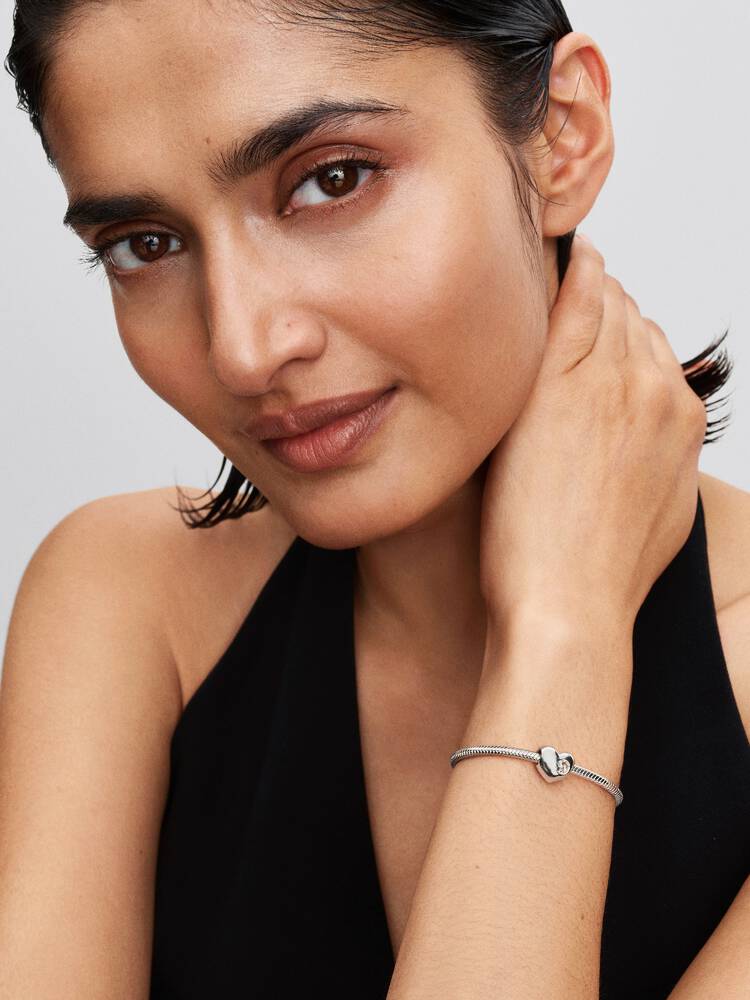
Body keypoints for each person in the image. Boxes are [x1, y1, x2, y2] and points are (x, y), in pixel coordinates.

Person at [2, 2, 748, 998]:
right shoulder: (130, 602)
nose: (242, 348)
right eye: (145, 242)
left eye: (333, 179)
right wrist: (559, 630)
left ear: (562, 136)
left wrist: (563, 624)